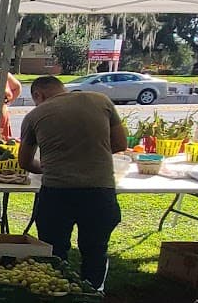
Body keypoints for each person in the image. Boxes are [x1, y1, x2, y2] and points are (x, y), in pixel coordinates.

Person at [18, 75, 129, 289]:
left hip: (57, 192)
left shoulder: (34, 116)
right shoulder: (101, 100)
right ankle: (91, 295)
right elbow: (120, 144)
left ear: (38, 95)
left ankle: (56, 294)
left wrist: (49, 166)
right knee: (95, 250)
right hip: (100, 190)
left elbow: (25, 162)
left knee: (54, 250)